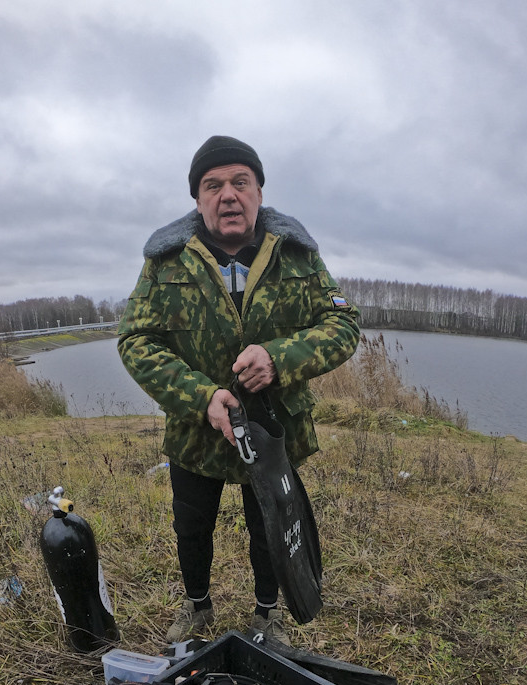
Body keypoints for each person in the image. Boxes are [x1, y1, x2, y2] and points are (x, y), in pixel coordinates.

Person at [118, 135, 360, 645]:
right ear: (198, 198)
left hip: (274, 428)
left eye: (240, 182)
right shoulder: (166, 260)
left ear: (259, 191)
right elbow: (136, 340)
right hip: (196, 431)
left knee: (269, 524)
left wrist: (279, 359)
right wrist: (201, 397)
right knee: (192, 527)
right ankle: (197, 607)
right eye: (213, 185)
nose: (227, 195)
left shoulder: (298, 254)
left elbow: (344, 326)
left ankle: (267, 614)